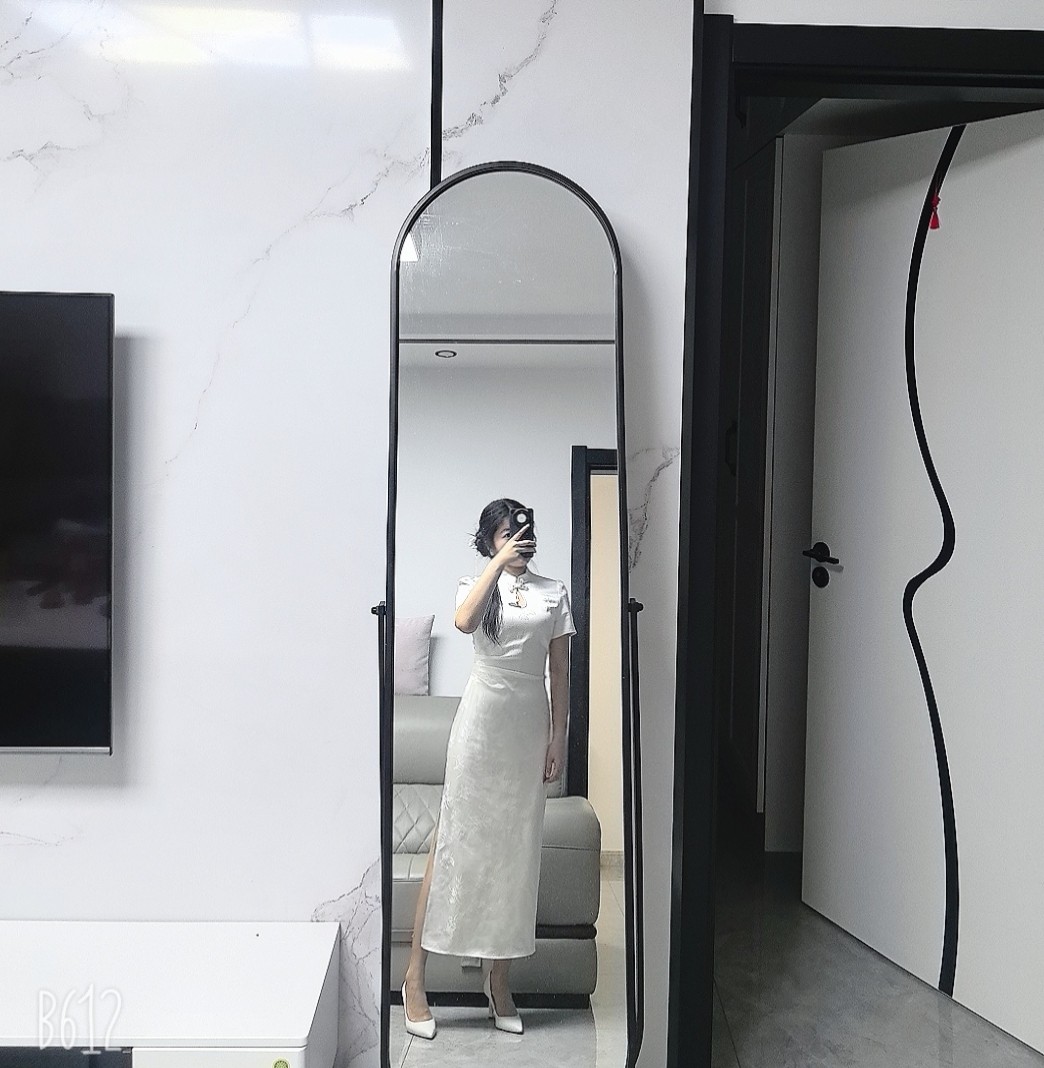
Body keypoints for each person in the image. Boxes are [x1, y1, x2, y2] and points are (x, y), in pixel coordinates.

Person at [401, 498, 576, 1038]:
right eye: (505, 533)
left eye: (522, 530)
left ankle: (499, 982)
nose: (518, 539)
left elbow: (560, 675)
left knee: (514, 853)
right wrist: (497, 565)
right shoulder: (475, 586)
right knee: (452, 842)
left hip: (527, 727)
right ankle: (414, 979)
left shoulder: (554, 593)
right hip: (480, 725)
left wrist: (558, 738)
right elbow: (463, 621)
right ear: (488, 541)